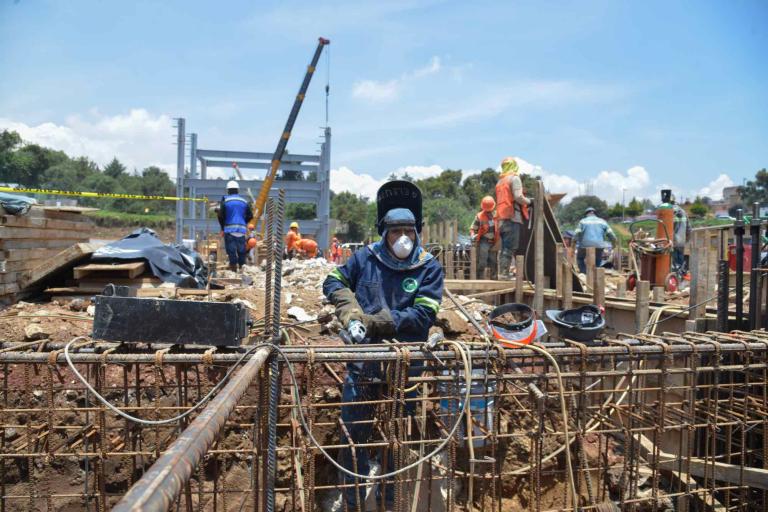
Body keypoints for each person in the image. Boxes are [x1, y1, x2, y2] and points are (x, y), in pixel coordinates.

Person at [323, 180, 444, 509]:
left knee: (398, 438)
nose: (402, 238)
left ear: (416, 232)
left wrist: (373, 321)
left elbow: (422, 315)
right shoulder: (366, 259)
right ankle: (353, 499)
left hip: (407, 367)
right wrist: (349, 311)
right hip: (365, 365)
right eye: (395, 231)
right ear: (384, 232)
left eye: (408, 230)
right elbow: (333, 280)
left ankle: (391, 501)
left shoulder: (428, 267)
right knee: (355, 436)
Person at [495, 157, 532, 279]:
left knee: (505, 247)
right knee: (510, 247)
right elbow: (518, 197)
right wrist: (530, 202)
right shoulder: (514, 178)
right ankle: (504, 274)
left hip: (501, 218)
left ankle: (502, 273)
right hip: (511, 217)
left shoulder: (500, 182)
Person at [216, 180, 253, 272]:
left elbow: (220, 215)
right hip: (241, 230)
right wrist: (244, 222)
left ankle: (233, 268)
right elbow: (251, 216)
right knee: (241, 251)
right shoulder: (244, 201)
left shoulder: (226, 201)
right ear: (238, 190)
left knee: (231, 250)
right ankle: (242, 268)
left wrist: (222, 228)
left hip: (229, 229)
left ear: (228, 191)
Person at [575, 207, 616, 274]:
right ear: (594, 213)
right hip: (599, 245)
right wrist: (614, 244)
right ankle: (595, 273)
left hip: (584, 245)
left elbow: (576, 233)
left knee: (580, 258)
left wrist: (573, 244)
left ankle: (584, 273)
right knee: (598, 259)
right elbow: (611, 235)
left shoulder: (582, 221)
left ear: (586, 214)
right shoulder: (602, 221)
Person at [470, 195, 499, 279]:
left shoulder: (497, 215)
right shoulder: (479, 216)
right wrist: (473, 236)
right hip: (484, 241)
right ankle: (480, 277)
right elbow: (473, 228)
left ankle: (493, 278)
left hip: (494, 242)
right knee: (483, 260)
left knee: (493, 261)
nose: (489, 211)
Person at [671, 195, 691, 270]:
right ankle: (680, 278)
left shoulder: (668, 211)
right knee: (680, 262)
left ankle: (675, 278)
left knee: (673, 264)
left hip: (672, 242)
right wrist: (686, 240)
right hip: (681, 242)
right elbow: (689, 228)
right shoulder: (683, 212)